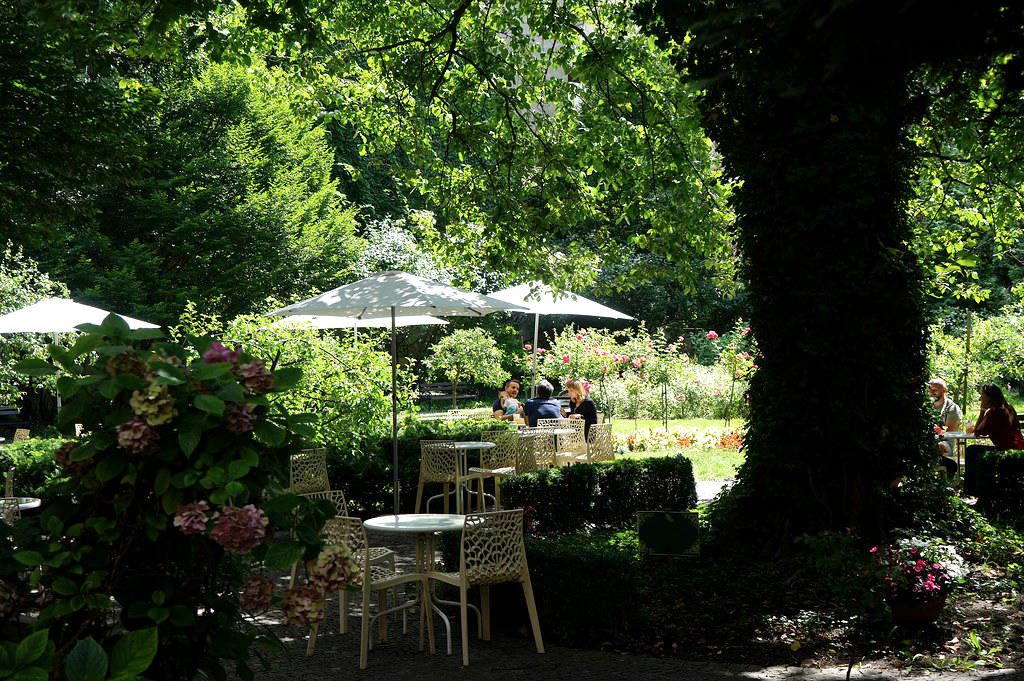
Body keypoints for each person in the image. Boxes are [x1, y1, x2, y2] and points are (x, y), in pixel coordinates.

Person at [963, 384, 1024, 496]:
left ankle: (971, 490)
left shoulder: (994, 412)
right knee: (975, 450)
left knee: (971, 450)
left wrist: (982, 411)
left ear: (989, 397)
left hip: (1005, 450)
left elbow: (978, 431)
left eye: (982, 395)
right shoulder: (1008, 408)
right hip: (1018, 448)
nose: (980, 398)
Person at [928, 377, 962, 473]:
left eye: (935, 390)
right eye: (930, 390)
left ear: (944, 390)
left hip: (945, 445)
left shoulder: (952, 408)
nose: (931, 393)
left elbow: (948, 432)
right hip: (927, 442)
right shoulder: (925, 406)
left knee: (940, 445)